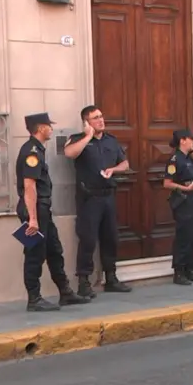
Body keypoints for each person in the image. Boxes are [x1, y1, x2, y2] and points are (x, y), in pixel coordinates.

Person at [15, 113, 88, 312]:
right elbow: (29, 186)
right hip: (34, 209)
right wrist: (32, 219)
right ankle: (34, 298)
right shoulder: (31, 152)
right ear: (40, 128)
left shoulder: (37, 149)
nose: (51, 128)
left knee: (54, 250)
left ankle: (65, 292)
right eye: (48, 125)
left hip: (42, 209)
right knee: (34, 253)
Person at [63, 105, 132, 297]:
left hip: (108, 195)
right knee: (88, 239)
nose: (101, 120)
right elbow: (69, 154)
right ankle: (84, 282)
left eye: (101, 116)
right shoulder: (78, 139)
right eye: (95, 118)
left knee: (111, 238)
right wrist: (87, 136)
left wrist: (114, 170)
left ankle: (111, 278)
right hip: (89, 197)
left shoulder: (111, 140)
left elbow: (125, 163)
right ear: (87, 122)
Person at [164, 129, 193, 285]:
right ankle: (179, 271)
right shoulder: (175, 160)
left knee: (192, 236)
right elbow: (167, 183)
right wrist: (185, 189)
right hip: (183, 202)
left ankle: (190, 268)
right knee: (183, 237)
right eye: (191, 139)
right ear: (182, 140)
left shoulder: (190, 158)